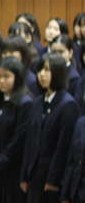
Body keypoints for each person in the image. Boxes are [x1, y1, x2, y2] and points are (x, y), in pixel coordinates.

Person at [21, 53, 80, 203]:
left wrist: (54, 178)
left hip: (51, 179)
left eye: (47, 70)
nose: (41, 74)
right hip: (34, 175)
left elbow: (64, 147)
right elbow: (30, 141)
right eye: (40, 70)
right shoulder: (38, 101)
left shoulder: (68, 105)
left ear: (58, 72)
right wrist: (25, 174)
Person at [0, 57, 32, 203]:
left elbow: (19, 140)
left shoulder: (25, 103)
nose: (1, 81)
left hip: (14, 171)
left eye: (7, 76)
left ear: (17, 78)